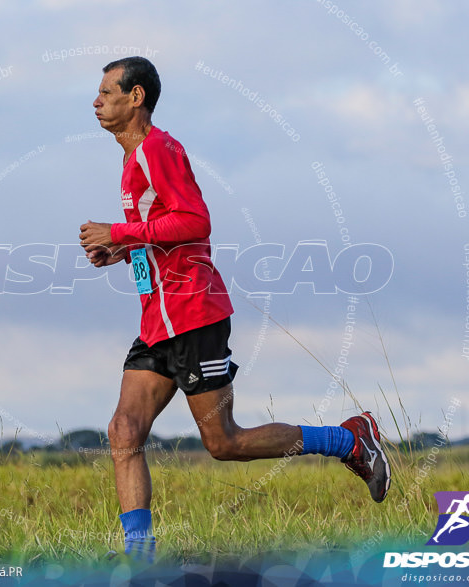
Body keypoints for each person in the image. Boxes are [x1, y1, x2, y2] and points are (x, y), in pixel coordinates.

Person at [78, 56, 391, 564]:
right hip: (158, 320)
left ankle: (350, 440)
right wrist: (118, 250)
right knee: (124, 431)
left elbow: (195, 221)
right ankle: (139, 557)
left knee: (224, 443)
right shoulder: (132, 160)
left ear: (135, 98)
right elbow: (161, 233)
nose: (96, 101)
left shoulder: (158, 148)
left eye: (107, 91)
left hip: (193, 312)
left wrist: (118, 232)